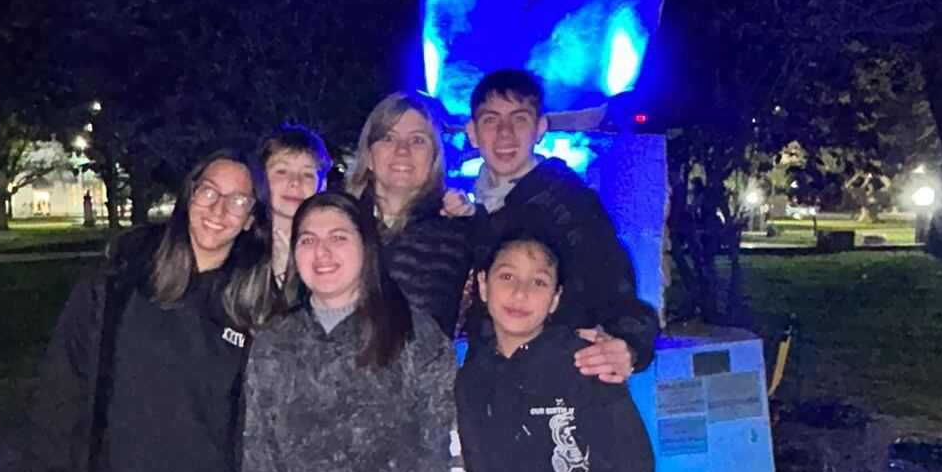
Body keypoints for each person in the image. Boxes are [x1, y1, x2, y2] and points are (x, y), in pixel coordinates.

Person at [23, 150, 279, 472]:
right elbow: (63, 381)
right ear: (189, 195)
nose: (219, 209)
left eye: (238, 200)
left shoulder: (258, 305)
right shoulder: (122, 276)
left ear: (251, 218)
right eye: (209, 192)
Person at [240, 191, 460, 472]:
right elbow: (259, 468)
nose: (322, 252)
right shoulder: (274, 343)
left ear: (367, 246)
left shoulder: (416, 338)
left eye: (338, 237)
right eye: (308, 240)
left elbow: (447, 458)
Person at [456, 235, 665, 472]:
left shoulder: (585, 362)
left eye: (538, 282)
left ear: (555, 299)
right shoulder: (472, 380)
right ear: (483, 285)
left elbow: (633, 471)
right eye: (507, 276)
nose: (520, 293)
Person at [466, 69, 658, 382]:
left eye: (519, 119)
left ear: (540, 128)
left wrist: (628, 346)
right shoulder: (473, 212)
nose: (504, 133)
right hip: (490, 390)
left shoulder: (569, 204)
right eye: (490, 120)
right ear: (472, 132)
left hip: (557, 388)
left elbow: (618, 294)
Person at [345, 93, 475, 338]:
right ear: (369, 156)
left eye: (417, 140)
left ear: (434, 157)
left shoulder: (461, 232)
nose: (402, 150)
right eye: (388, 138)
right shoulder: (339, 222)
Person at [255, 123, 331, 300]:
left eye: (307, 174)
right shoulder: (240, 242)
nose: (295, 182)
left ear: (323, 185)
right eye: (282, 171)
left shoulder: (331, 252)